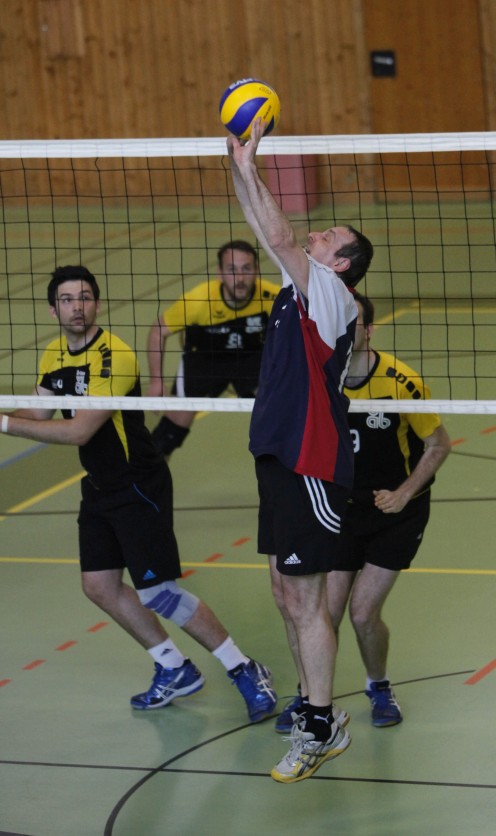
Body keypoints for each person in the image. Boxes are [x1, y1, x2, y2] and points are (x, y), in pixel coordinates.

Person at [0, 265, 277, 723]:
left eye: (84, 297)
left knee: (160, 593)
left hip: (136, 483)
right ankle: (174, 667)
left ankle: (243, 668)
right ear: (53, 310)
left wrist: (5, 424)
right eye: (66, 299)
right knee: (99, 585)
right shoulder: (54, 353)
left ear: (97, 303)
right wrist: (7, 416)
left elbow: (79, 431)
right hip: (99, 484)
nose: (76, 306)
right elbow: (38, 410)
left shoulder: (113, 355)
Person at [227, 119, 374, 783]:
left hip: (312, 459)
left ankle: (319, 723)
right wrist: (240, 163)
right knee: (286, 593)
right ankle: (313, 708)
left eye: (328, 236)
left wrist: (251, 167)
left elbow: (281, 236)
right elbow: (265, 226)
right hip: (278, 455)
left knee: (308, 602)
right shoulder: (298, 288)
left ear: (340, 263)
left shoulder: (332, 295)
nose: (316, 234)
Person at [276, 291, 451, 732]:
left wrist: (405, 493)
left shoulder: (401, 382)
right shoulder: (321, 379)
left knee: (362, 613)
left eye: (351, 323)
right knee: (325, 613)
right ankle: (311, 700)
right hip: (344, 511)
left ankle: (379, 685)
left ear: (369, 330)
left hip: (397, 512)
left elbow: (438, 444)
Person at [147, 240, 279, 456]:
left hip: (251, 358)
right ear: (220, 273)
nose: (240, 278)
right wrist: (156, 382)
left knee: (280, 419)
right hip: (204, 359)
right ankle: (148, 475)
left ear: (256, 270)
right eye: (232, 270)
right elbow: (158, 331)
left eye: (246, 269)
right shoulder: (198, 301)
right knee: (168, 435)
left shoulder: (273, 297)